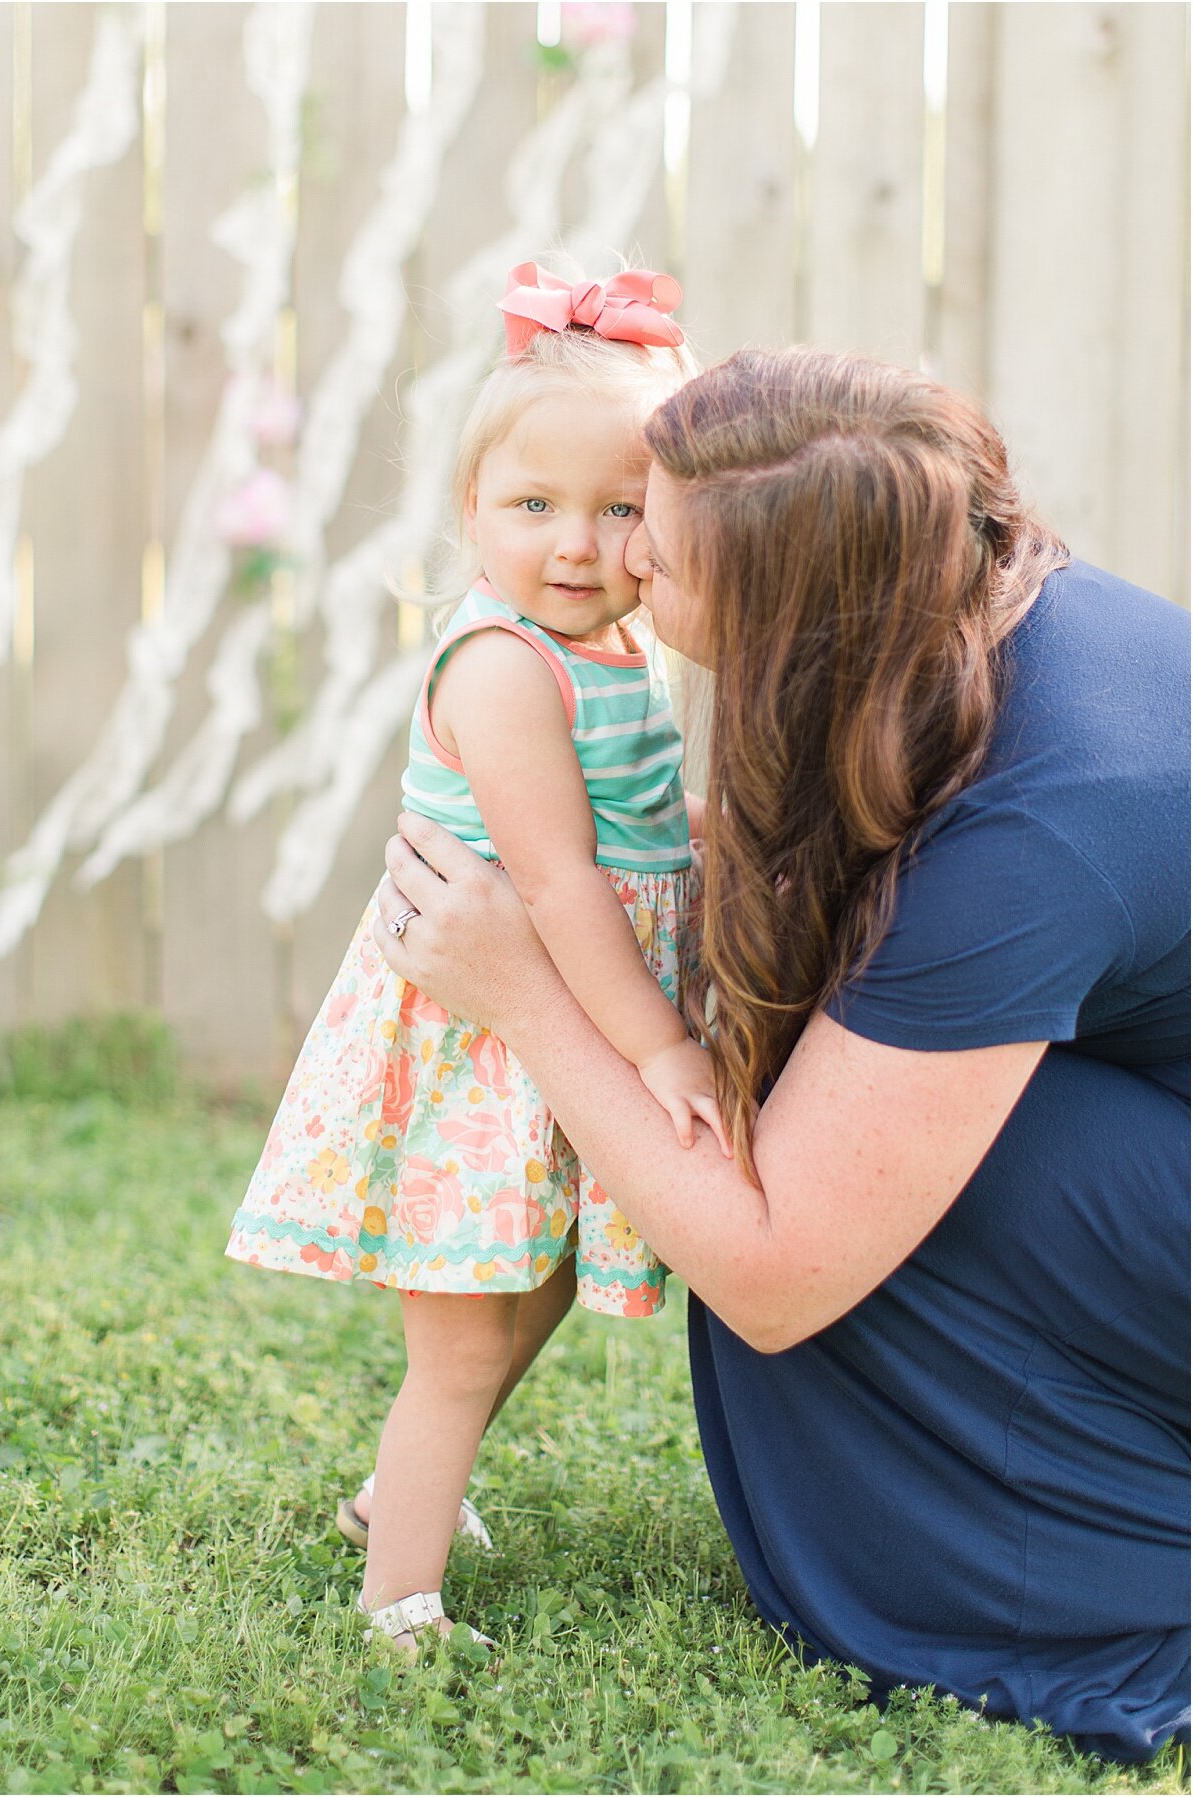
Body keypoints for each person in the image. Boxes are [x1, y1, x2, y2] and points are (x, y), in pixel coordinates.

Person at [371, 346, 1190, 1760]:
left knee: (843, 1178)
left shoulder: (1031, 833)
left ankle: (1077, 1556)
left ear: (791, 621)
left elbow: (764, 1269)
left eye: (657, 547)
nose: (620, 561)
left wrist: (526, 997)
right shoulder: (972, 616)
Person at [226, 262, 731, 1654]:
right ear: (468, 518)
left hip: (556, 1025)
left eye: (621, 508)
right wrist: (663, 1049)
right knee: (456, 1342)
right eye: (533, 507)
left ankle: (403, 1494)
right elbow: (562, 890)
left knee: (547, 1273)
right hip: (482, 1041)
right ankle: (401, 1596)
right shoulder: (506, 666)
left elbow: (626, 842)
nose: (577, 543)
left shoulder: (620, 646)